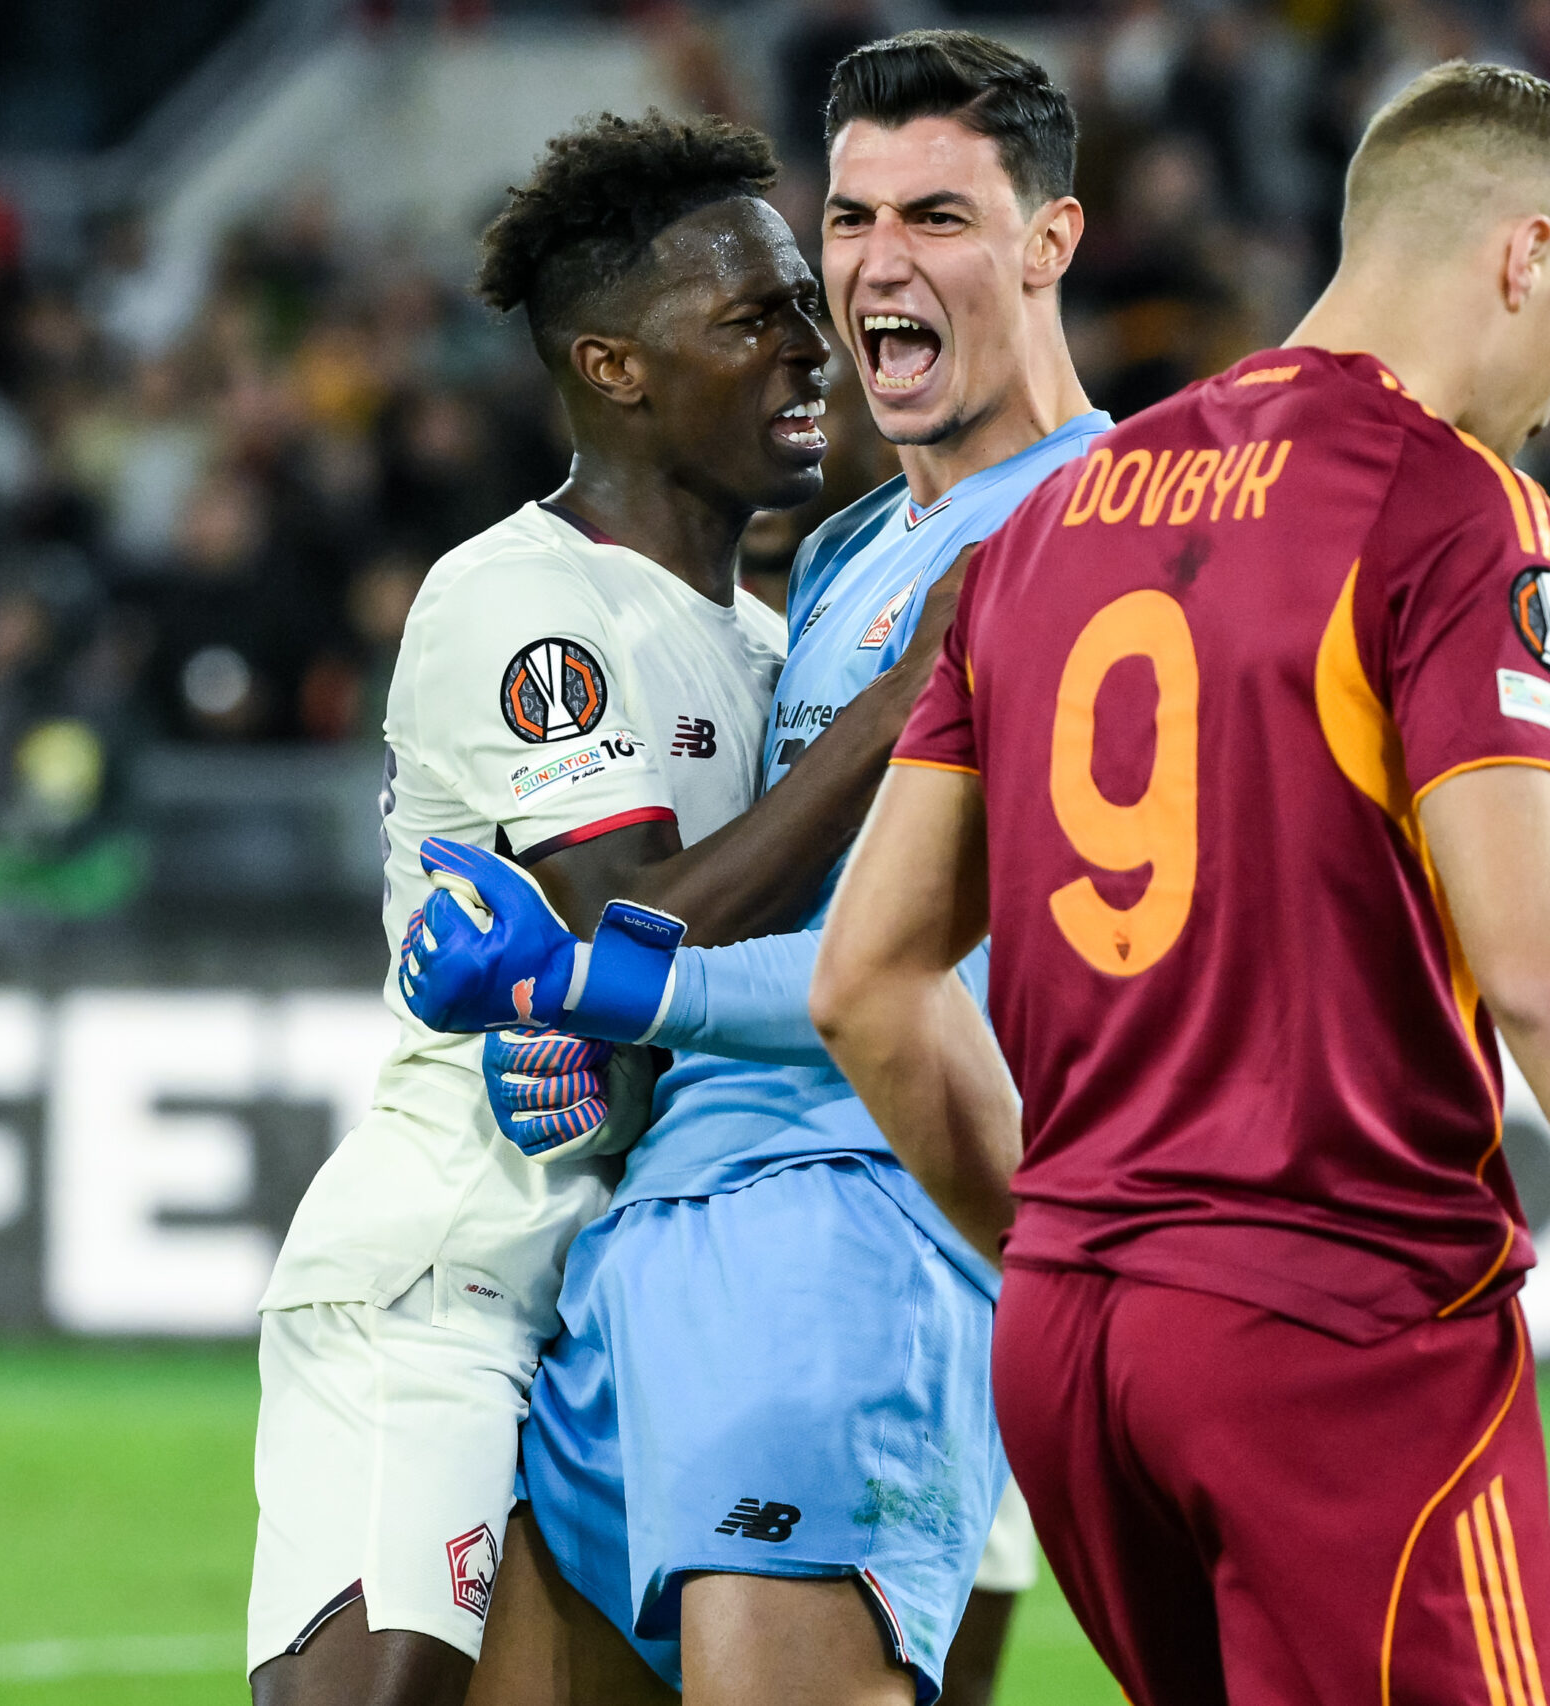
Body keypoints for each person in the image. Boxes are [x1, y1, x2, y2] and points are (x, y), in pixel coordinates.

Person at [809, 61, 1550, 1706]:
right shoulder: (1452, 509)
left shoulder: (1045, 525)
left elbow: (862, 982)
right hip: (1335, 1330)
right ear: (1521, 261)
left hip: (1074, 1352)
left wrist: (1067, 1245)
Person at [397, 32, 1108, 1706]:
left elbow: (950, 966)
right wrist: (605, 1053)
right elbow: (794, 894)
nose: (875, 266)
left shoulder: (1107, 531)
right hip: (642, 1248)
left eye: (939, 214)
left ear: (1049, 243)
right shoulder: (854, 550)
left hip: (845, 1238)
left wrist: (604, 975)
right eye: (851, 218)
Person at [248, 111, 954, 1706]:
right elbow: (617, 931)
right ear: (615, 366)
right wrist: (906, 703)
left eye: (803, 305)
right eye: (752, 314)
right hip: (452, 1281)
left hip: (637, 1315)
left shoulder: (774, 650)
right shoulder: (523, 599)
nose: (810, 346)